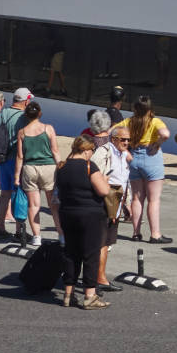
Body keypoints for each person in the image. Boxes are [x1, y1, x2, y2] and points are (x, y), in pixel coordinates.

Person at [54, 132, 112, 309]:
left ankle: (68, 294)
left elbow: (57, 194)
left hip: (67, 213)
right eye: (92, 150)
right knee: (90, 254)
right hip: (90, 215)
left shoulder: (62, 167)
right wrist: (105, 180)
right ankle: (89, 296)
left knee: (71, 253)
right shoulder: (90, 166)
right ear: (87, 150)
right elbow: (103, 191)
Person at [121, 96, 172, 244]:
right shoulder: (155, 121)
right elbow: (165, 134)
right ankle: (155, 234)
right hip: (151, 157)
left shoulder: (129, 122)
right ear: (149, 110)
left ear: (135, 109)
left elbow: (112, 132)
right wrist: (157, 143)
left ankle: (136, 233)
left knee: (137, 198)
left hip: (134, 157)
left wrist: (125, 150)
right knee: (153, 199)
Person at [93, 116, 130, 289]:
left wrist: (127, 204)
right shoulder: (104, 152)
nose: (127, 142)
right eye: (123, 139)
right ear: (114, 139)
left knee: (107, 243)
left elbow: (124, 181)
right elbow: (93, 173)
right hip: (105, 201)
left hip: (116, 203)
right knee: (101, 243)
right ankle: (98, 279)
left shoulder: (123, 155)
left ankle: (99, 276)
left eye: (129, 140)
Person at [15, 101, 60, 244]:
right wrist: (60, 167)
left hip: (30, 169)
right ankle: (61, 235)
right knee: (54, 205)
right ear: (39, 113)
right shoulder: (48, 129)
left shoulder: (22, 132)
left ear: (26, 115)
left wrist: (17, 176)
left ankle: (36, 237)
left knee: (33, 205)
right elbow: (55, 151)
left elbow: (20, 156)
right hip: (48, 168)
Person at [0, 88, 31, 238]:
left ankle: (0, 228)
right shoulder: (23, 117)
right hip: (16, 160)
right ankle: (20, 231)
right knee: (19, 194)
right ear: (26, 101)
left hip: (2, 159)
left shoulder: (2, 113)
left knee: (4, 194)